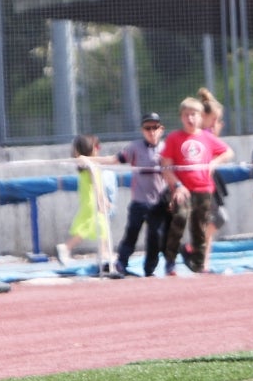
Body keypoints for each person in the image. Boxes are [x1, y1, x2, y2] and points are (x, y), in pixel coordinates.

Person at [160, 97, 234, 275]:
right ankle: (170, 262)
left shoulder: (207, 138)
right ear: (181, 117)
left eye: (194, 115)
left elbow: (228, 152)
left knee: (200, 228)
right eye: (186, 115)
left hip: (204, 189)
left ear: (201, 117)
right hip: (183, 190)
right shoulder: (174, 138)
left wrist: (214, 163)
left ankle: (200, 267)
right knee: (179, 220)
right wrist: (177, 185)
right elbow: (165, 167)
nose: (190, 119)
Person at [97, 113, 170, 277]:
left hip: (159, 203)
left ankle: (149, 269)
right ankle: (122, 263)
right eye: (147, 128)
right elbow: (115, 159)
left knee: (156, 237)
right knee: (132, 233)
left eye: (155, 128)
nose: (151, 132)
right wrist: (91, 159)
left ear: (161, 129)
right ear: (142, 130)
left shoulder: (166, 148)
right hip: (139, 201)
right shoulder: (135, 147)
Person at [56, 134, 115, 265]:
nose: (98, 149)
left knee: (101, 226)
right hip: (92, 201)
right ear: (90, 149)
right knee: (87, 227)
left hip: (89, 199)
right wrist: (102, 200)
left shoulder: (86, 163)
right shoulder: (90, 164)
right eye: (96, 147)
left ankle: (103, 252)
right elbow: (96, 183)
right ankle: (66, 248)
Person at [198, 87, 229, 271]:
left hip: (210, 181)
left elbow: (223, 151)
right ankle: (196, 252)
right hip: (201, 183)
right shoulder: (201, 136)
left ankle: (203, 263)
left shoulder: (208, 135)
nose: (216, 123)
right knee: (216, 218)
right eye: (214, 119)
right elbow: (224, 151)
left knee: (214, 220)